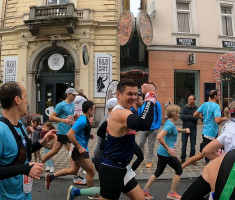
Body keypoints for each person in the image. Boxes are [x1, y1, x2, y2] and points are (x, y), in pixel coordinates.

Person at [97, 79, 157, 200]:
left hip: (124, 169)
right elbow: (144, 124)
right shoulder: (120, 113)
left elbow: (100, 132)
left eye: (135, 94)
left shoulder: (120, 111)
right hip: (112, 170)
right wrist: (150, 96)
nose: (134, 97)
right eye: (129, 94)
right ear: (118, 94)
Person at [0, 81, 57, 200]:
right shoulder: (1, 130)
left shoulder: (20, 124)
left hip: (25, 195)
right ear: (17, 99)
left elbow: (21, 153)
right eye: (25, 96)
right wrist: (26, 168)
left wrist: (42, 142)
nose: (27, 101)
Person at [45, 101, 97, 196]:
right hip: (79, 150)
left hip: (79, 149)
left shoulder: (84, 119)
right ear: (89, 110)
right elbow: (70, 134)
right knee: (91, 171)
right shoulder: (82, 120)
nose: (94, 111)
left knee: (73, 170)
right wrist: (79, 147)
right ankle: (91, 194)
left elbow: (78, 131)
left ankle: (51, 177)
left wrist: (88, 135)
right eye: (94, 109)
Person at [142, 104, 190, 200]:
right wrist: (169, 148)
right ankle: (172, 193)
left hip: (161, 153)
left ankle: (145, 191)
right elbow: (159, 137)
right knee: (179, 170)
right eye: (178, 113)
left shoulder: (170, 122)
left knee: (158, 172)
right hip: (167, 154)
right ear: (175, 114)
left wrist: (184, 130)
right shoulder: (169, 124)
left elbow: (174, 129)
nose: (179, 114)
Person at [182, 90, 228, 168]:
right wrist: (226, 118)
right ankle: (182, 166)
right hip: (210, 133)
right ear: (215, 96)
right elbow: (217, 120)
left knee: (211, 152)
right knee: (201, 154)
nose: (219, 97)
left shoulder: (204, 104)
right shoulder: (216, 106)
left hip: (205, 132)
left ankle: (219, 167)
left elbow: (195, 114)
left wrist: (202, 118)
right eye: (218, 95)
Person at [41, 88, 78, 163]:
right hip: (64, 133)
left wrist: (75, 117)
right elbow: (51, 117)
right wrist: (63, 120)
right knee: (72, 152)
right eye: (73, 95)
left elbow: (69, 116)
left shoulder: (73, 104)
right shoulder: (61, 105)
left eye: (75, 95)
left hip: (66, 132)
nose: (75, 96)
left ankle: (40, 162)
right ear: (68, 95)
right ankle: (74, 170)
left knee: (54, 151)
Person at [138, 88, 162, 168]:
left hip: (153, 129)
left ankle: (149, 160)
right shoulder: (143, 104)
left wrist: (157, 127)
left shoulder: (156, 104)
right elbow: (139, 114)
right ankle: (141, 159)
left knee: (151, 145)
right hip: (142, 128)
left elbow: (159, 115)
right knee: (141, 143)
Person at [92, 97, 118, 171]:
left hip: (103, 157)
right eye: (118, 106)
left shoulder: (108, 118)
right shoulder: (108, 120)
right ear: (112, 108)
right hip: (102, 158)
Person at [180, 94, 199, 165]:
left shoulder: (197, 108)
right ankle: (182, 159)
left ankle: (192, 159)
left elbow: (196, 118)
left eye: (191, 99)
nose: (189, 100)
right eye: (188, 99)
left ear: (194, 100)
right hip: (185, 129)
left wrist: (187, 116)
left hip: (193, 129)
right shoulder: (184, 108)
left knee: (193, 145)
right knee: (183, 145)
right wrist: (191, 117)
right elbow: (182, 117)